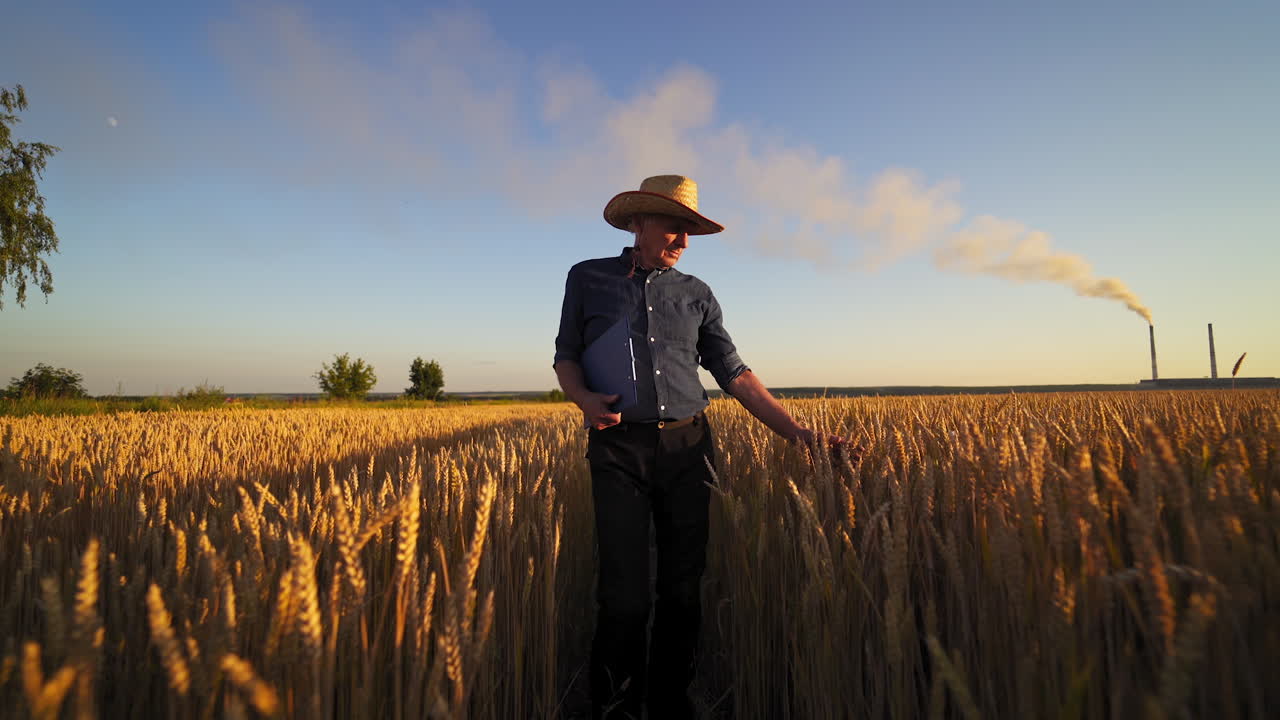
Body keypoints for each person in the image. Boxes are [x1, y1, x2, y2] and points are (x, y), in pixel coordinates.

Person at [553, 175, 844, 719]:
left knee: (683, 589)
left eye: (690, 231)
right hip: (617, 448)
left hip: (689, 448)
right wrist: (584, 398)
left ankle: (669, 701)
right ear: (639, 223)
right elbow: (566, 355)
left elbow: (735, 374)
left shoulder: (697, 294)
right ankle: (613, 704)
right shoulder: (587, 278)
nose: (683, 242)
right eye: (674, 228)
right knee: (624, 595)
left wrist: (802, 434)